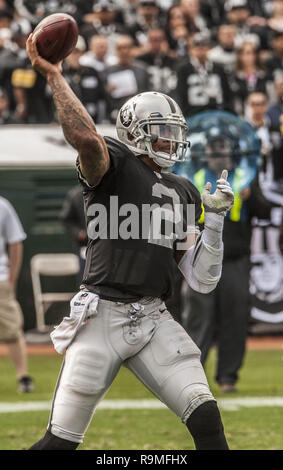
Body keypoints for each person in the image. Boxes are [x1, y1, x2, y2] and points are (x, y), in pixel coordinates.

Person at [26, 32, 234, 451]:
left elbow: (202, 279)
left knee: (207, 417)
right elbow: (85, 139)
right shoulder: (112, 165)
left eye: (174, 131)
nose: (171, 140)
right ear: (134, 132)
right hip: (101, 315)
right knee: (60, 444)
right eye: (160, 131)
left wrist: (214, 221)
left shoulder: (182, 189)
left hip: (154, 317)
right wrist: (54, 76)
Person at [184, 135, 273, 393]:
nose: (219, 153)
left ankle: (227, 379)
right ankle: (192, 378)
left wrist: (251, 196)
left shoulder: (245, 177)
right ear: (207, 152)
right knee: (199, 321)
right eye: (215, 148)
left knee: (235, 320)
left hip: (235, 261)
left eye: (224, 147)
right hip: (202, 260)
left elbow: (265, 212)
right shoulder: (196, 178)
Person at [0, 196, 34, 393]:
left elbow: (16, 242)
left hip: (1, 279)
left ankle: (23, 377)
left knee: (12, 330)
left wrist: (11, 280)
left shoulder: (3, 205)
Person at [60, 185, 87, 286]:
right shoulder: (76, 195)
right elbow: (66, 220)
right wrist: (78, 233)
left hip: (108, 247)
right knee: (86, 282)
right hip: (85, 247)